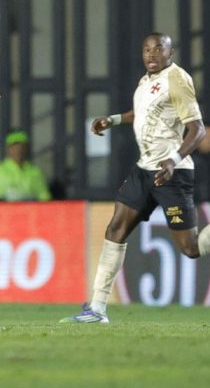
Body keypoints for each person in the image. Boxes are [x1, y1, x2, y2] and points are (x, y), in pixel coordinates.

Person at [62, 33, 210, 324]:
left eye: (158, 49)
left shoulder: (177, 80)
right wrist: (113, 119)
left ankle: (97, 308)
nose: (151, 54)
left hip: (172, 173)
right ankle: (97, 309)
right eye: (146, 49)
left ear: (170, 52)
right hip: (145, 171)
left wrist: (174, 160)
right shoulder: (146, 81)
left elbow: (198, 130)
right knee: (116, 228)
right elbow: (140, 113)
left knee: (190, 248)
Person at [0, 130, 52, 201]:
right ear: (8, 149)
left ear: (26, 149)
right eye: (14, 147)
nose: (18, 150)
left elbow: (44, 197)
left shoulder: (35, 171)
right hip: (6, 211)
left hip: (30, 211)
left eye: (21, 147)